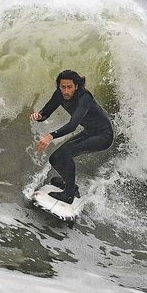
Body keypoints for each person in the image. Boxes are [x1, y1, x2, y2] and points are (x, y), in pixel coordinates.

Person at [31, 69, 114, 204]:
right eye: (63, 87)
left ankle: (69, 195)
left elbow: (73, 125)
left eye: (69, 87)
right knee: (55, 158)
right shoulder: (59, 94)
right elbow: (46, 112)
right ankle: (71, 186)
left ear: (76, 86)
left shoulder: (84, 97)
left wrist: (51, 136)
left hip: (104, 135)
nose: (66, 91)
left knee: (67, 153)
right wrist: (39, 116)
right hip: (89, 131)